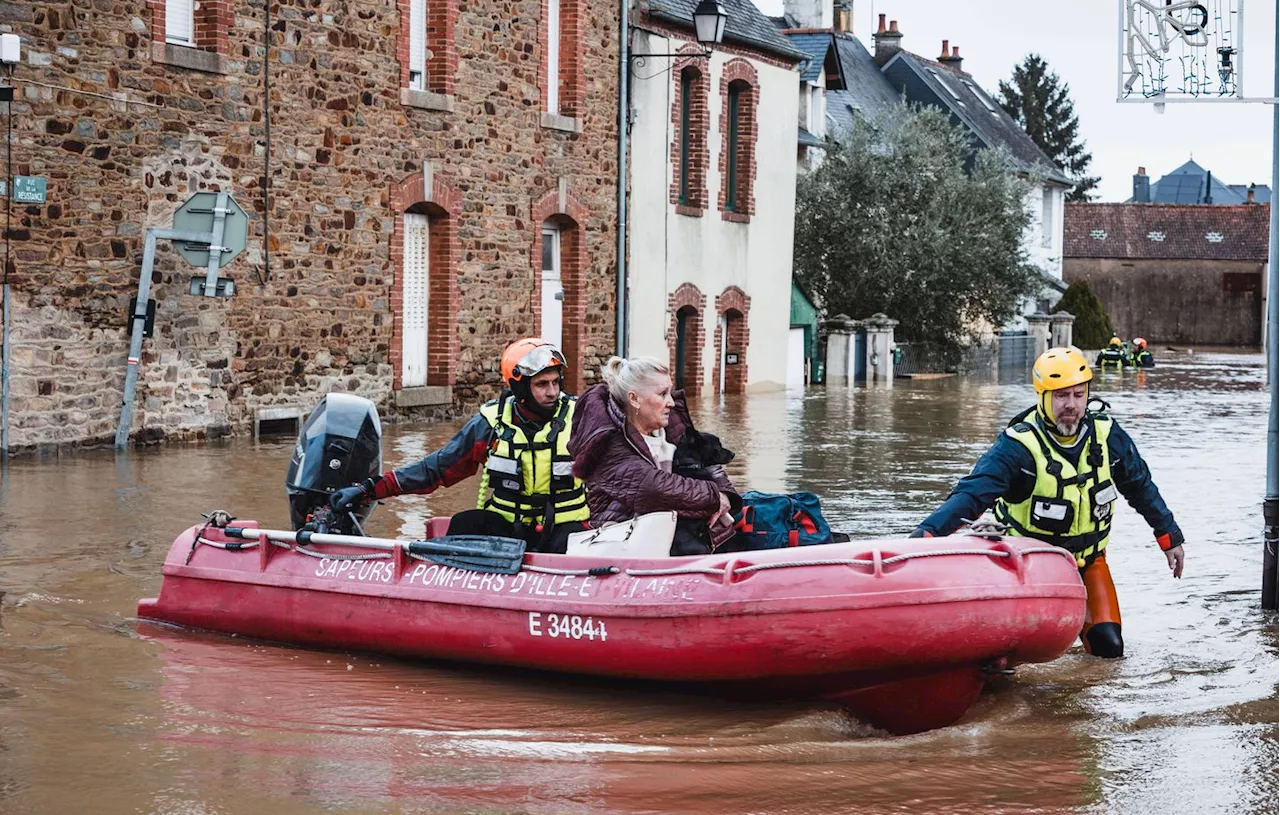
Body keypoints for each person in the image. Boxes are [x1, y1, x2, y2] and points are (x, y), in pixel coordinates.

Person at [909, 347, 1185, 658]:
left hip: (1088, 560)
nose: (1071, 405)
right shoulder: (1017, 447)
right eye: (1061, 396)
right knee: (1010, 655)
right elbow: (971, 496)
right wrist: (926, 536)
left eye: (1079, 395)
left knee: (1109, 648)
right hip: (1026, 563)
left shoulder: (1108, 436)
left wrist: (1168, 536)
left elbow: (1141, 488)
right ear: (1042, 397)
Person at [329, 338, 590, 553]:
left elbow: (616, 468)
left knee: (578, 543)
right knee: (465, 523)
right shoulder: (490, 424)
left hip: (564, 526)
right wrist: (369, 489)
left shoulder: (580, 417)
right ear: (519, 388)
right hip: (509, 525)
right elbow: (437, 469)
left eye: (556, 382)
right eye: (542, 384)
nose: (552, 392)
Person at [567, 356, 742, 555]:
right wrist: (713, 497)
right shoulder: (607, 442)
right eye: (662, 394)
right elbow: (652, 489)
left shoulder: (670, 428)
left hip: (682, 536)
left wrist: (725, 494)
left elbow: (707, 461)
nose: (671, 403)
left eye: (670, 392)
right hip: (626, 542)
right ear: (634, 399)